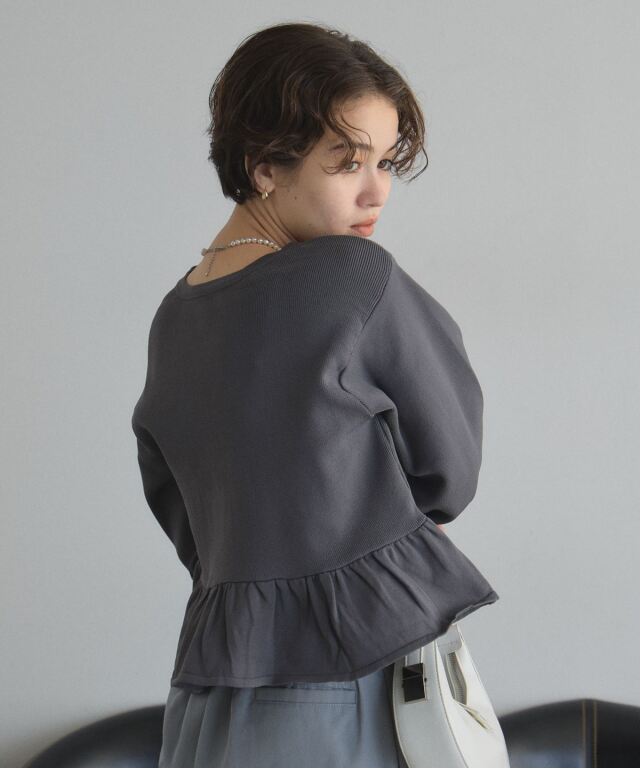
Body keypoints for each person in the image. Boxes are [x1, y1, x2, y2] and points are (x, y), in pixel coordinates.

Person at [131, 20, 499, 768]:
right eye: (348, 162)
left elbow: (176, 503)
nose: (376, 190)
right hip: (339, 677)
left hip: (207, 698)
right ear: (265, 163)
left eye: (385, 162)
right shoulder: (349, 277)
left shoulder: (176, 314)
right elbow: (450, 469)